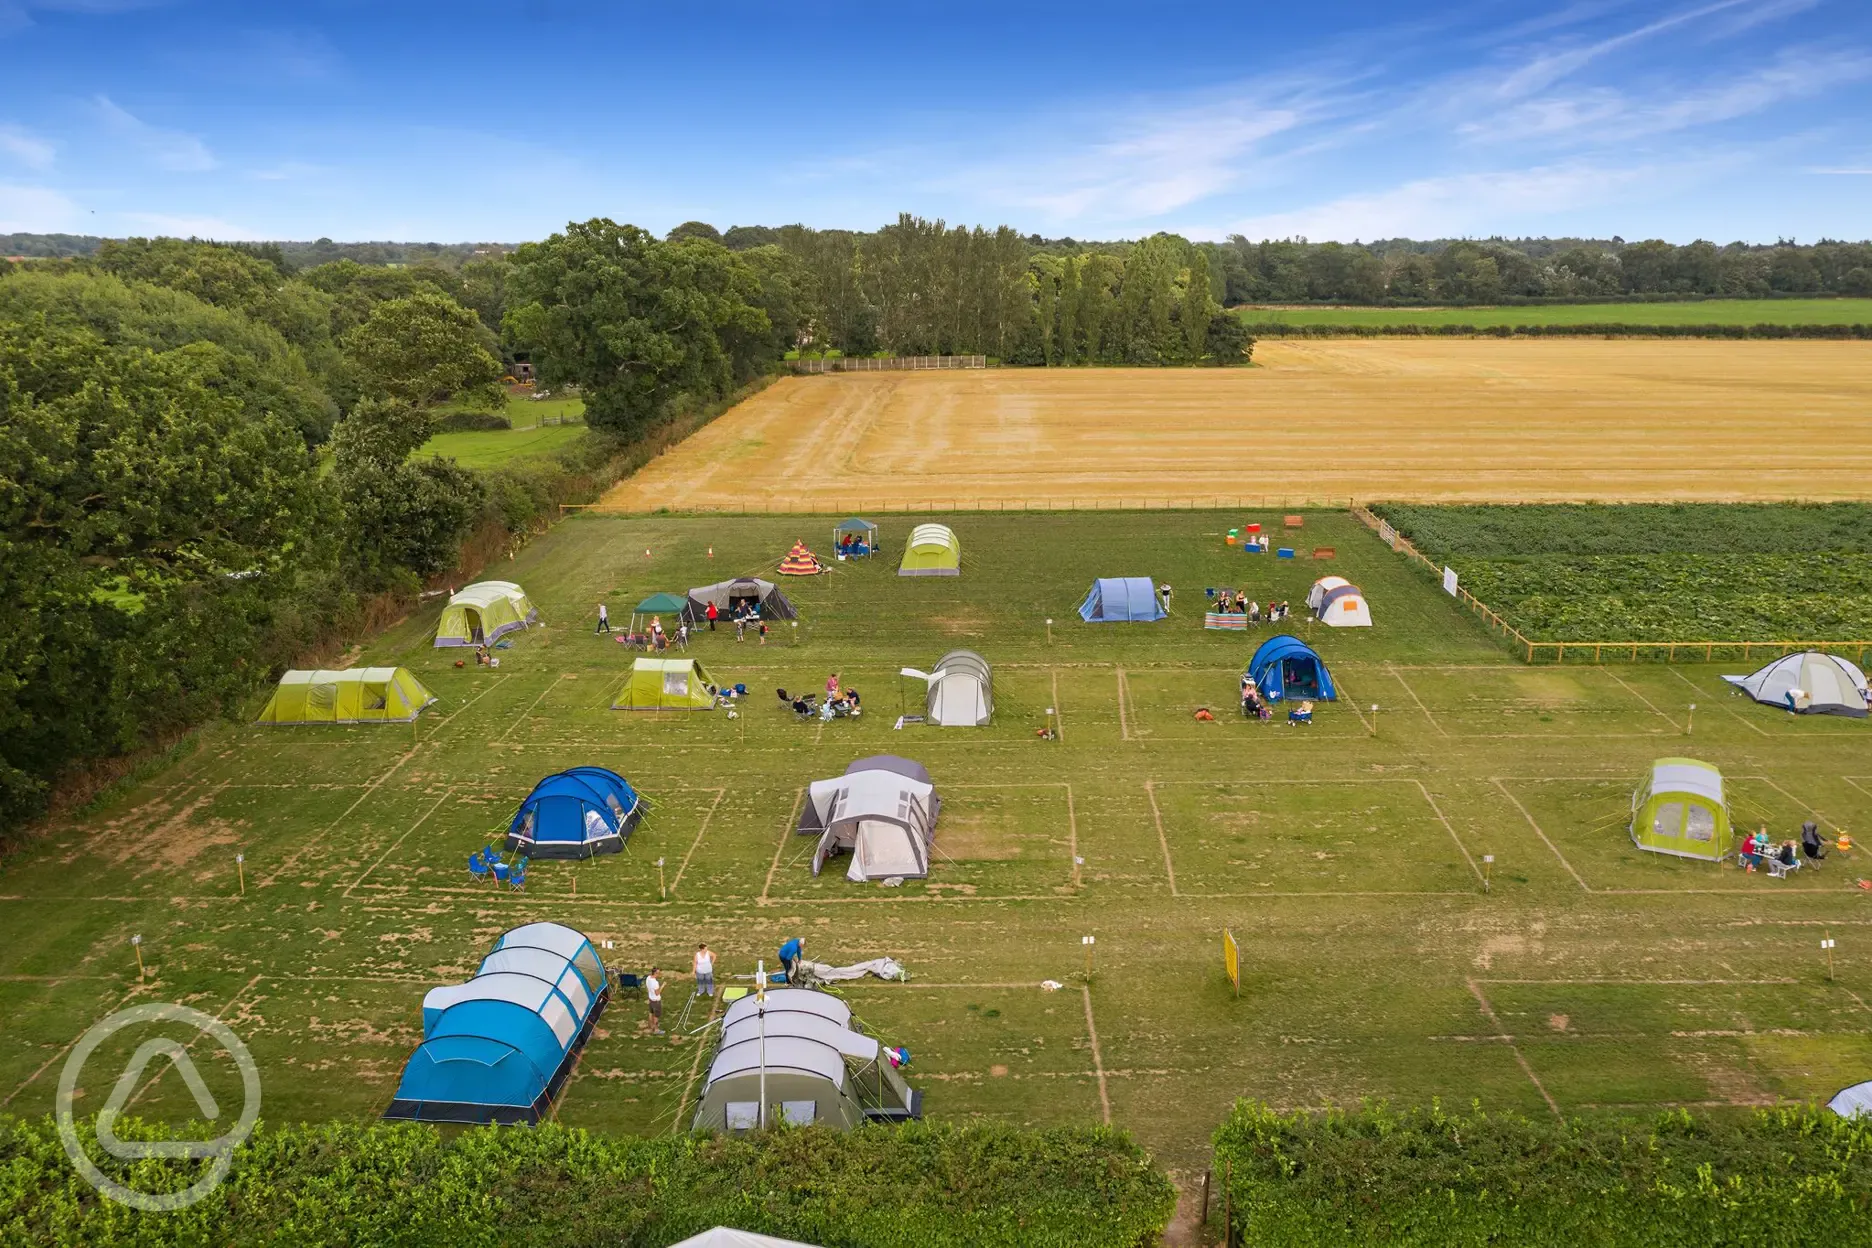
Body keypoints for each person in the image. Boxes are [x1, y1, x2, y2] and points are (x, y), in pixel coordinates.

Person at [645, 967, 663, 1034]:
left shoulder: (648, 978)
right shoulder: (655, 983)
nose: (659, 974)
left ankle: (651, 1025)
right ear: (656, 973)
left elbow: (647, 988)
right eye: (658, 973)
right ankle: (656, 1030)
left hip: (651, 999)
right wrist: (663, 986)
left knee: (651, 1012)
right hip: (656, 1001)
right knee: (656, 1016)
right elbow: (657, 993)